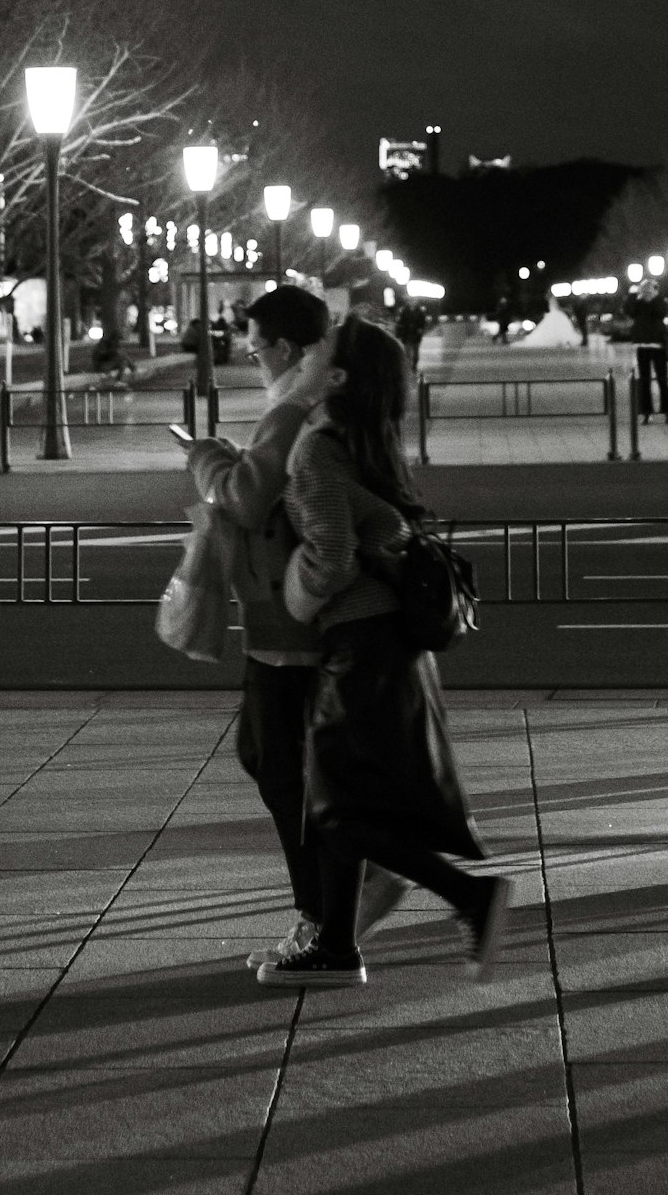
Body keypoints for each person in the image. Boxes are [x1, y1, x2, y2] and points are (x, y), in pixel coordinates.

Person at [259, 317, 511, 986]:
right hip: (393, 647)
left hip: (360, 648)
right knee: (348, 802)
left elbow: (331, 557)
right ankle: (335, 948)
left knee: (336, 809)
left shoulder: (316, 450)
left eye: (320, 350)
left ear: (336, 377)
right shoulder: (363, 439)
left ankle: (470, 895)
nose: (306, 349)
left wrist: (295, 598)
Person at [186, 287, 401, 967]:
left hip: (293, 631)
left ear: (284, 348)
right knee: (280, 764)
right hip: (288, 625)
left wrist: (207, 461)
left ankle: (329, 914)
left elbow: (252, 499)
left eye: (252, 348)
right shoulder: (319, 407)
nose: (251, 361)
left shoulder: (300, 410)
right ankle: (332, 910)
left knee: (287, 770)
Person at [627, 291, 668, 421]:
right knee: (650, 381)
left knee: (658, 380)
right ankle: (653, 413)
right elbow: (629, 311)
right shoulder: (639, 302)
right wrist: (635, 296)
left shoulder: (657, 301)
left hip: (654, 346)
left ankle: (661, 413)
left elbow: (662, 312)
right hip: (647, 345)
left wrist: (653, 297)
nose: (647, 291)